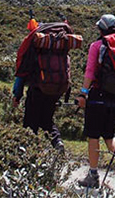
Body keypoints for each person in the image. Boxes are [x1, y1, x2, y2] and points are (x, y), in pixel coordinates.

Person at [77, 14, 115, 188]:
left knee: (93, 135)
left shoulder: (98, 45)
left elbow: (90, 72)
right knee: (109, 134)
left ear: (101, 28)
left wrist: (83, 94)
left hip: (98, 96)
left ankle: (93, 175)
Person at [13, 19, 81, 150]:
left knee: (30, 120)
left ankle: (26, 151)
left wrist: (17, 94)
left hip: (38, 87)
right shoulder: (60, 49)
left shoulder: (36, 47)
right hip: (58, 88)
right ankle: (57, 142)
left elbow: (22, 69)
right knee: (47, 119)